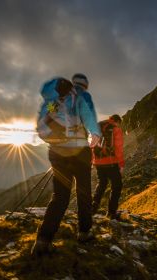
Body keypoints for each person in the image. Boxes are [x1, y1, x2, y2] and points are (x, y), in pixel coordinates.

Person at [31, 73, 101, 256]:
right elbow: (88, 114)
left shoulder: (55, 99)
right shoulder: (82, 97)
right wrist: (95, 133)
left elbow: (45, 120)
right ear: (84, 85)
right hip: (79, 152)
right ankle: (84, 232)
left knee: (60, 196)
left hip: (57, 152)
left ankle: (43, 240)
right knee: (83, 192)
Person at [92, 114, 124, 220]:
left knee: (102, 184)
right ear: (117, 121)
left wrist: (93, 160)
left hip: (98, 162)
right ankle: (111, 213)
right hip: (110, 162)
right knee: (117, 185)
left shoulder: (98, 127)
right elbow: (118, 148)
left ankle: (92, 208)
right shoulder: (115, 129)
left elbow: (92, 144)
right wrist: (121, 165)